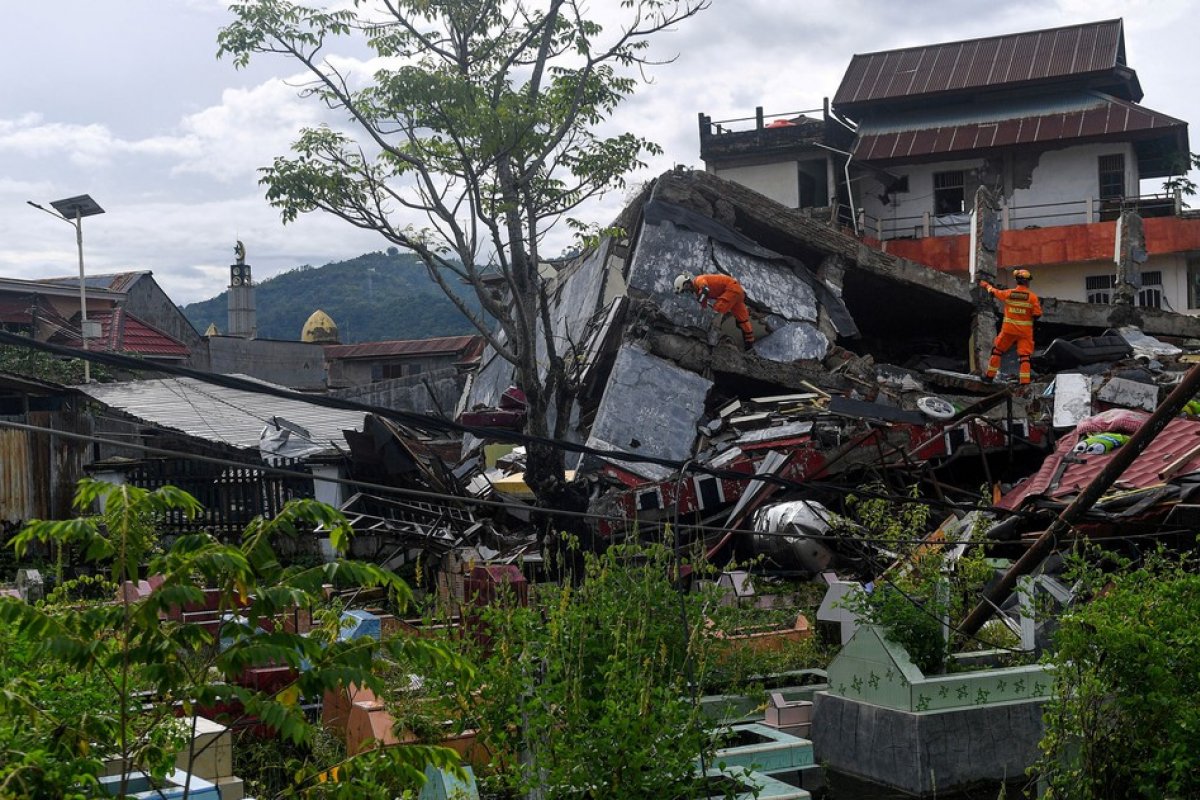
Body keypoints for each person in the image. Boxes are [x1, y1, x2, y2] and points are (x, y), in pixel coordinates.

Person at [978, 268, 1042, 384]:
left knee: (997, 351)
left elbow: (993, 292)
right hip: (1025, 332)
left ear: (1017, 281)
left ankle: (989, 377)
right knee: (1024, 357)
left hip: (1008, 330)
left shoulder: (1009, 293)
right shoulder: (1032, 297)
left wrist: (986, 285)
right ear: (1027, 282)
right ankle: (1024, 382)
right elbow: (1037, 315)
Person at [674, 272, 755, 346]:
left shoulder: (698, 280)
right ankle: (750, 344)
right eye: (685, 290)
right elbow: (703, 306)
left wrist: (700, 300)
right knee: (743, 320)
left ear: (687, 282)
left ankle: (713, 339)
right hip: (737, 292)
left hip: (732, 289)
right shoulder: (698, 290)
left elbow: (705, 289)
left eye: (686, 287)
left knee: (717, 310)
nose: (688, 290)